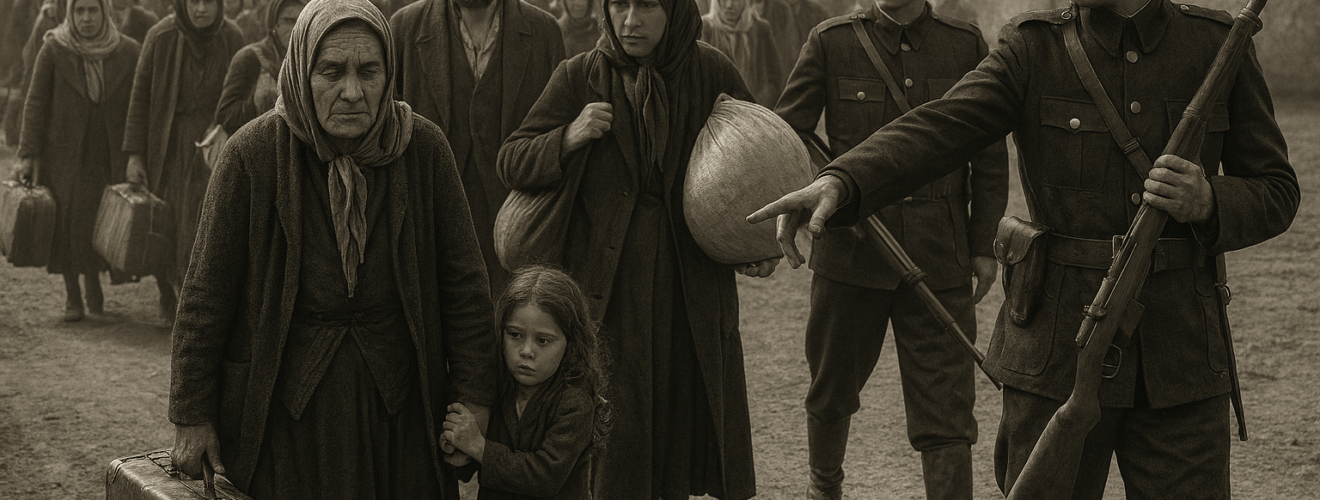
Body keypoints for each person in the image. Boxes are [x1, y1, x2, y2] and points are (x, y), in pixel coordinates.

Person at [750, 0, 1300, 498]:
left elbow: (1277, 189)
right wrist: (843, 181)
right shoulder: (1034, 46)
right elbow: (939, 126)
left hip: (1181, 356)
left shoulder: (1214, 45)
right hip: (1059, 353)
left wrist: (1209, 199)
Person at [167, 0, 499, 497]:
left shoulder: (424, 151)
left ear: (389, 75)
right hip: (284, 419)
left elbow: (466, 287)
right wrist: (191, 414)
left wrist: (474, 398)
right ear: (302, 72)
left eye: (369, 71)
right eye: (331, 71)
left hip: (400, 419)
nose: (352, 91)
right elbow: (204, 296)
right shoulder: (252, 156)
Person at [497, 0, 779, 497]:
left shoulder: (711, 72)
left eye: (646, 6)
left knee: (680, 418)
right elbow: (512, 159)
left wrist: (757, 245)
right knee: (616, 434)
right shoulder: (580, 76)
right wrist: (567, 136)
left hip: (689, 286)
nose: (629, 21)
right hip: (609, 290)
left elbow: (757, 159)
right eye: (619, 5)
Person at [773, 0, 1008, 498]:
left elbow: (988, 149)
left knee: (947, 407)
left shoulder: (964, 45)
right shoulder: (831, 42)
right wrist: (821, 189)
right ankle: (823, 488)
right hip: (851, 252)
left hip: (938, 255)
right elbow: (789, 133)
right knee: (831, 389)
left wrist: (984, 243)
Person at [389, 0, 564, 295]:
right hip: (430, 232)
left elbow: (555, 134)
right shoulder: (403, 29)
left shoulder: (544, 32)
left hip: (515, 236)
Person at [10, 0, 141, 321]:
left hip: (106, 151)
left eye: (92, 10)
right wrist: (28, 154)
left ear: (104, 12)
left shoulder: (126, 51)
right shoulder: (55, 48)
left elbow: (138, 104)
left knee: (99, 220)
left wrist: (135, 151)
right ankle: (73, 295)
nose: (86, 18)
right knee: (67, 223)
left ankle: (94, 286)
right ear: (70, 13)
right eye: (79, 11)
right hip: (64, 153)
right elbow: (35, 101)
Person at [443, 265, 609, 500]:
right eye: (515, 335)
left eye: (542, 340)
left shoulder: (575, 403)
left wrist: (479, 448)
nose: (526, 351)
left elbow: (545, 477)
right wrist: (460, 450)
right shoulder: (498, 386)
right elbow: (471, 458)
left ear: (570, 344)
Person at [122, 0, 243, 321]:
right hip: (168, 145)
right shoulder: (160, 36)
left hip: (215, 145)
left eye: (208, 2)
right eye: (193, 2)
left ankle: (197, 301)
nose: (200, 9)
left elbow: (242, 94)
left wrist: (226, 129)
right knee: (168, 222)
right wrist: (135, 155)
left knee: (206, 223)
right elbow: (139, 97)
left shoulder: (232, 37)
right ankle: (167, 291)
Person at [215, 0, 304, 134]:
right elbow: (224, 115)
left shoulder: (307, 61)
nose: (294, 28)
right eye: (287, 21)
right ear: (274, 23)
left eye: (300, 21)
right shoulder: (249, 58)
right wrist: (254, 103)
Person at [699, 0, 781, 107]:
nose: (729, 5)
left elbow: (774, 77)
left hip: (754, 107)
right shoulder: (706, 28)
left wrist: (759, 104)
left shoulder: (760, 28)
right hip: (719, 108)